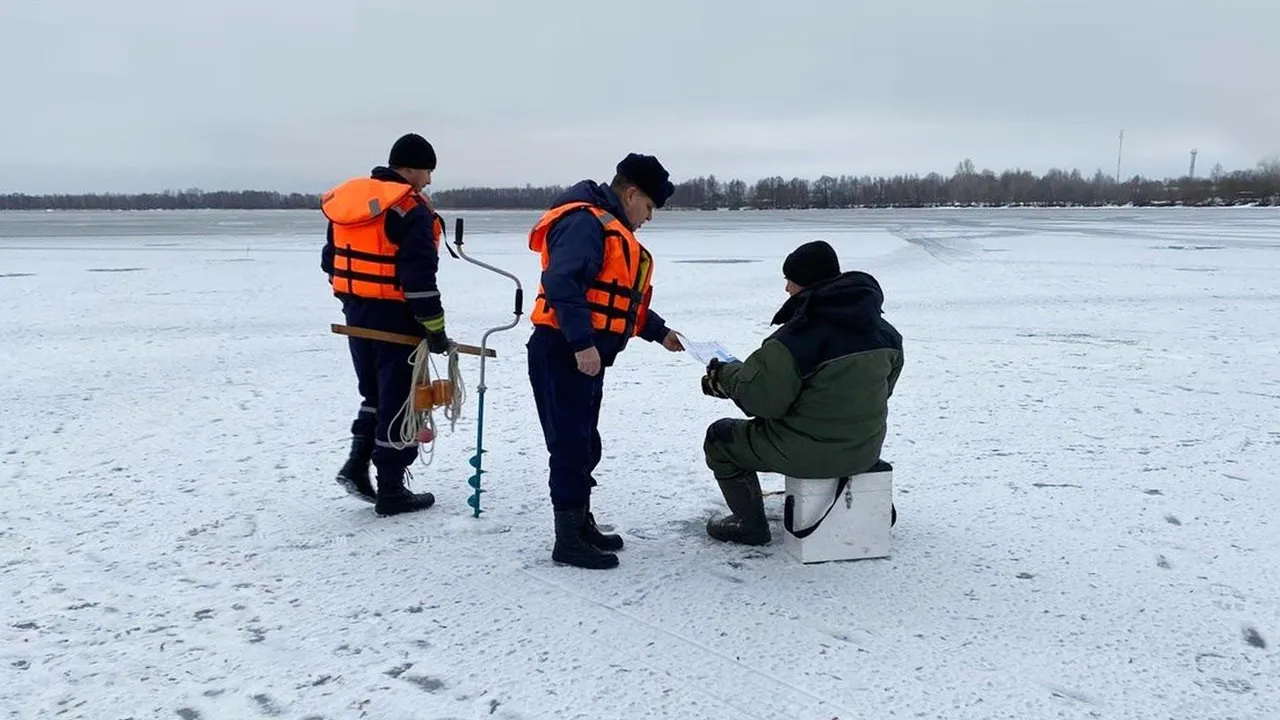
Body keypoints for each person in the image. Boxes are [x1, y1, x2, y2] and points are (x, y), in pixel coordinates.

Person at [526, 153, 685, 569]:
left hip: (583, 354)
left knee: (583, 443)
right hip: (563, 351)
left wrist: (659, 331)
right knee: (569, 446)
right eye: (649, 207)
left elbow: (618, 300)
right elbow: (562, 283)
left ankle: (580, 523)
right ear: (631, 193)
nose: (649, 218)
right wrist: (581, 344)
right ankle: (567, 541)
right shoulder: (585, 223)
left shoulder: (607, 226)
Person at [699, 240, 904, 545]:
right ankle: (869, 508)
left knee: (719, 439)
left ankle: (749, 525)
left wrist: (725, 376)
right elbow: (882, 391)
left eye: (789, 281)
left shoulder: (796, 338)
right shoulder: (886, 333)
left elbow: (762, 401)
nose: (786, 290)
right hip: (864, 451)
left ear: (804, 284)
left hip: (805, 453)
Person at [321, 132, 453, 517]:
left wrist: (352, 300)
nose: (428, 181)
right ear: (409, 168)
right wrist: (436, 331)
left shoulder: (352, 206)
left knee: (374, 395)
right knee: (398, 402)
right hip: (397, 322)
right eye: (426, 171)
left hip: (357, 317)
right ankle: (392, 490)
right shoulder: (410, 209)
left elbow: (331, 260)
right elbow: (419, 278)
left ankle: (357, 466)